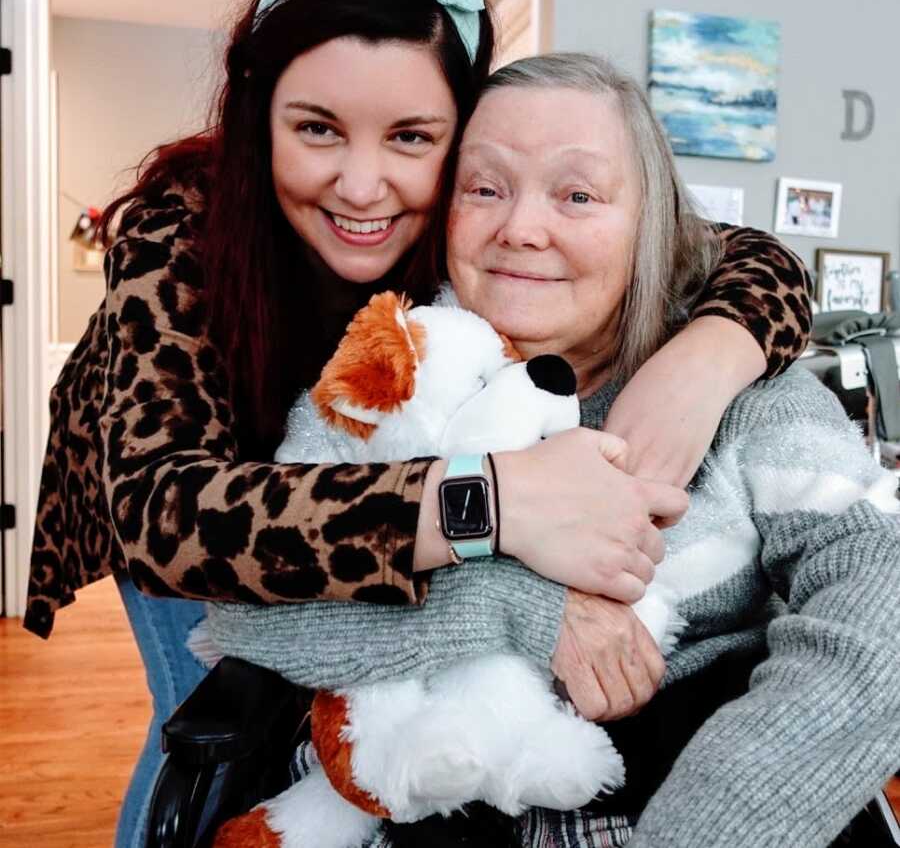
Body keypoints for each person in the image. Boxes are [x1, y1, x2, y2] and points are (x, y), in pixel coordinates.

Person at [24, 0, 812, 846]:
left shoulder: (482, 204)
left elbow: (745, 256)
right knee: (208, 727)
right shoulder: (182, 226)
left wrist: (704, 361)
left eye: (411, 136)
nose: (364, 186)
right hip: (191, 503)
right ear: (257, 116)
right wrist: (492, 504)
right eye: (317, 128)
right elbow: (167, 517)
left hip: (378, 471)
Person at [207, 53, 900, 848]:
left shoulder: (747, 397)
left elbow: (884, 599)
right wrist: (522, 611)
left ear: (655, 227)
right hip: (431, 796)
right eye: (486, 188)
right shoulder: (396, 377)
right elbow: (246, 615)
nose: (521, 229)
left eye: (577, 195)